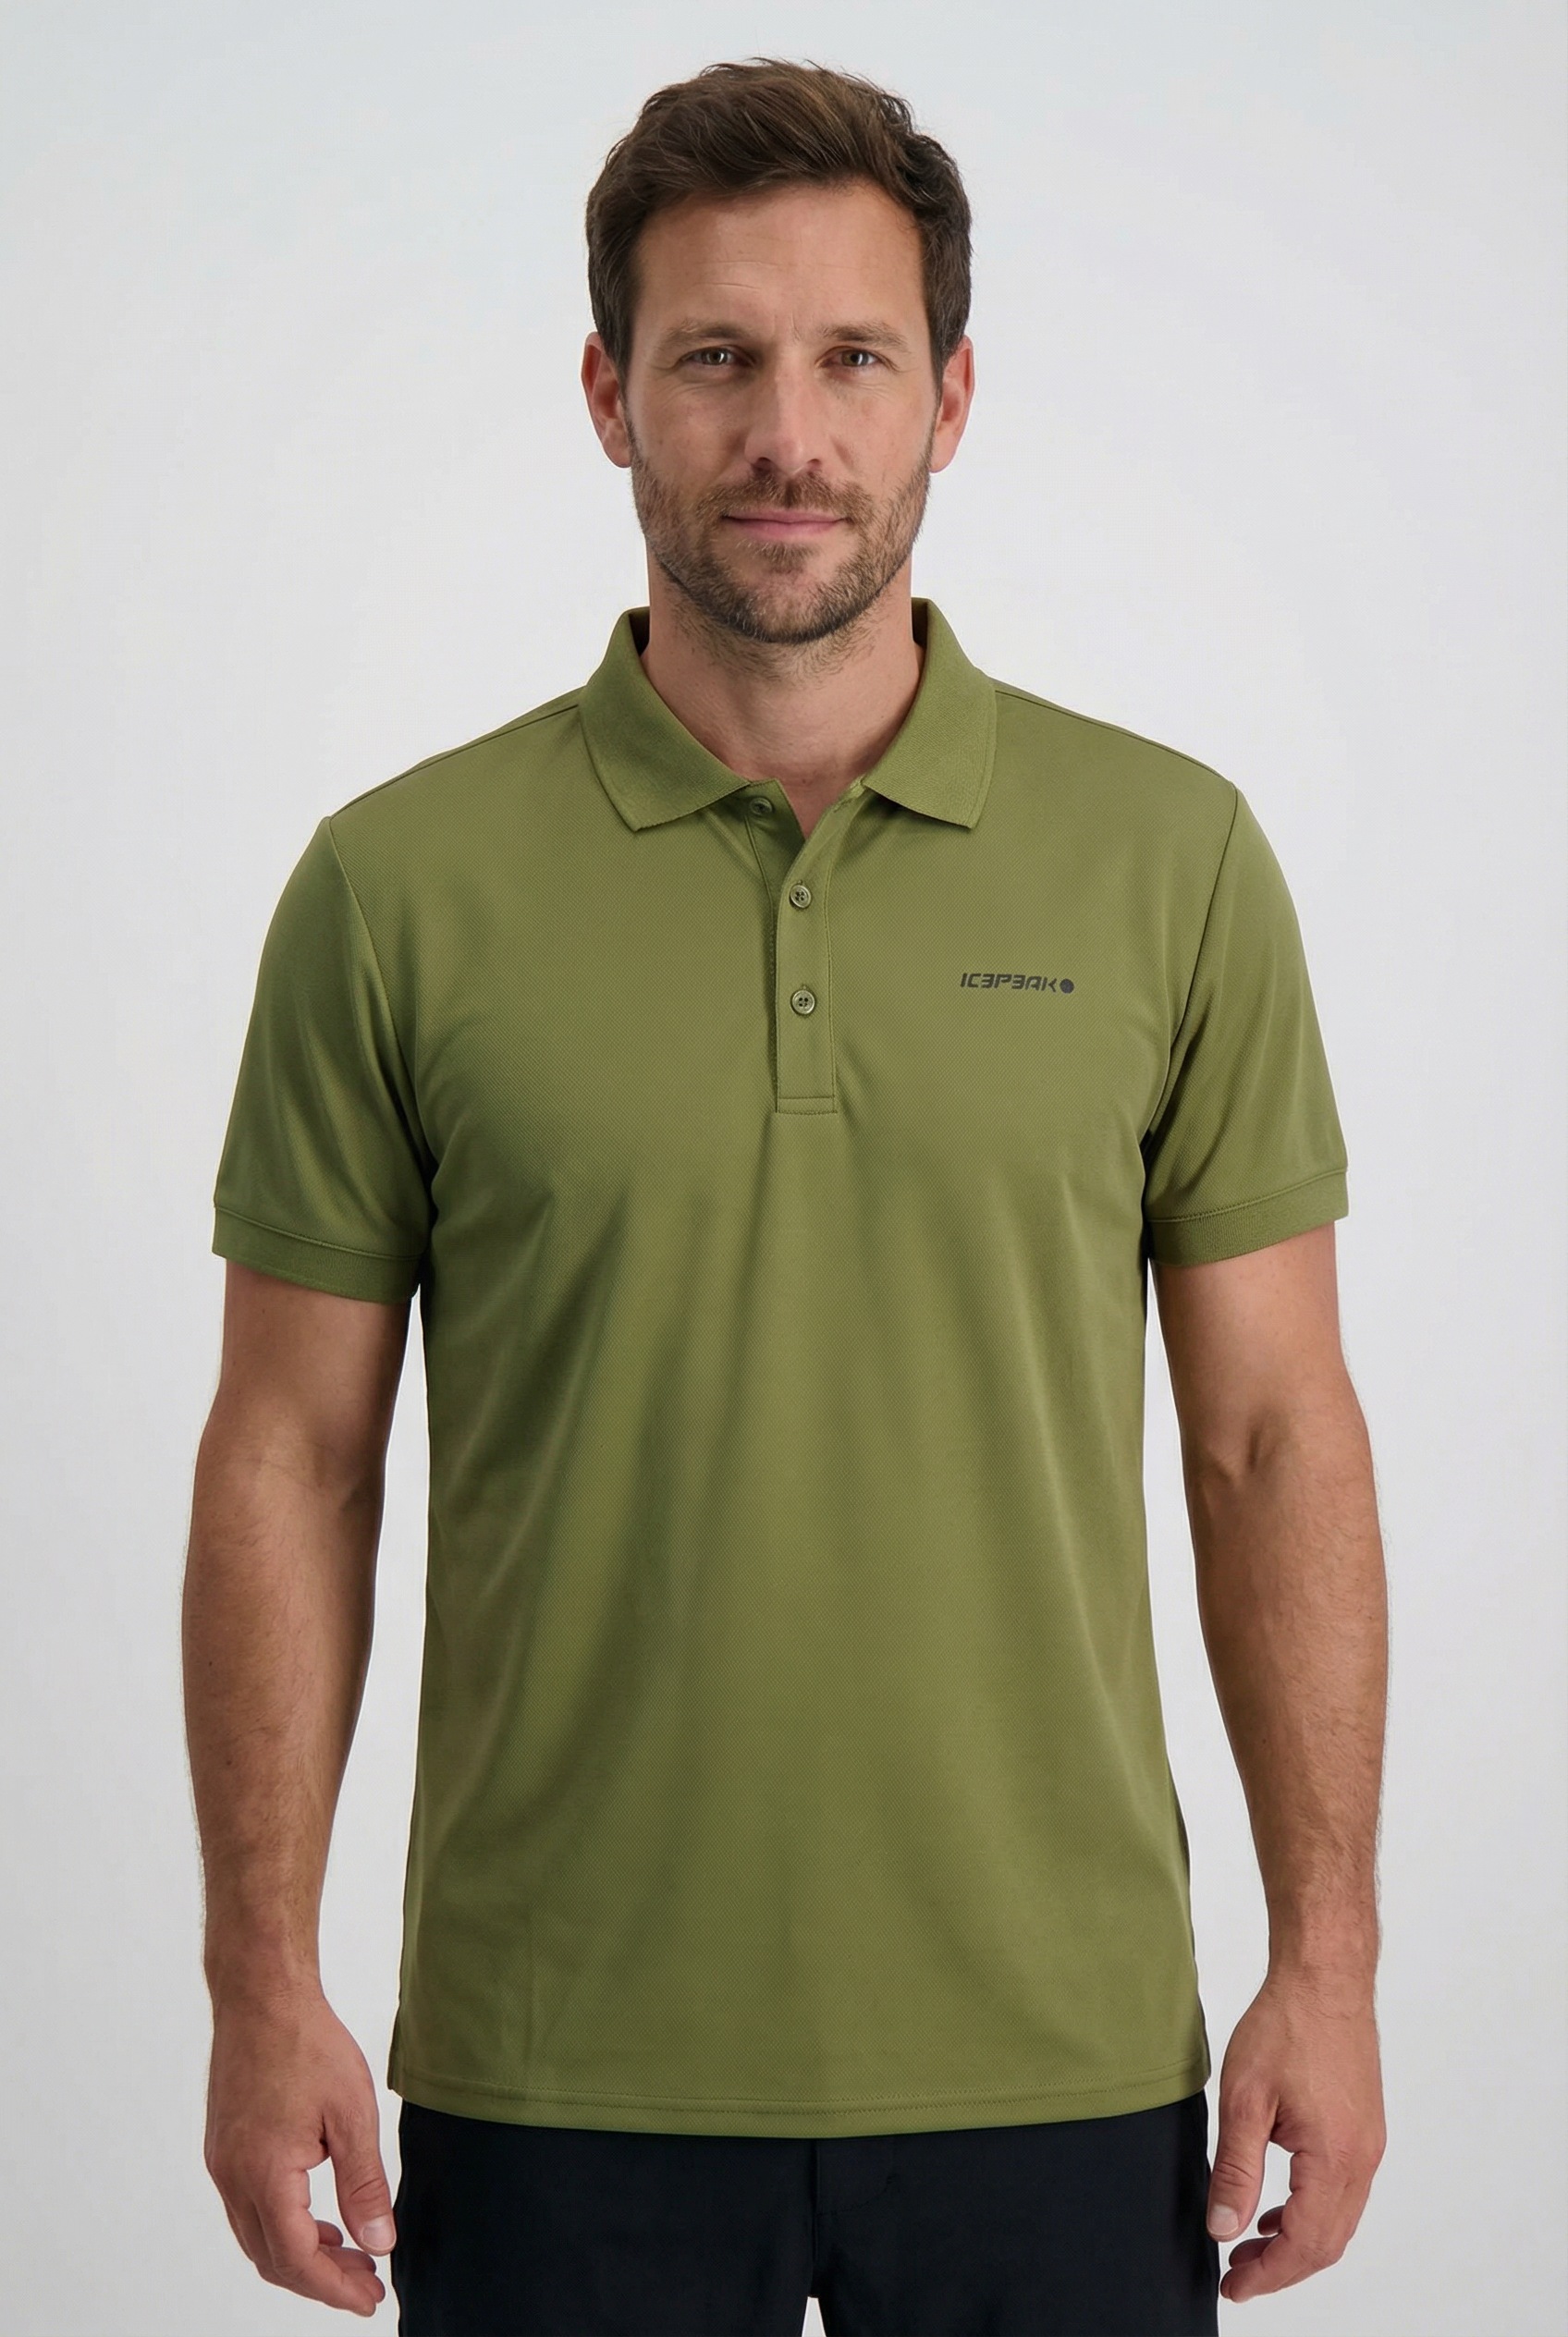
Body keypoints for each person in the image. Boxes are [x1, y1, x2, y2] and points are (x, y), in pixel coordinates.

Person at [183, 55, 1388, 2336]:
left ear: (950, 396)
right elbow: (288, 1454)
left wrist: (1321, 1964)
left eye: (850, 359)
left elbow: (1267, 1436)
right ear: (606, 397)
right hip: (556, 2066)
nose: (785, 436)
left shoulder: (1169, 862)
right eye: (713, 359)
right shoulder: (396, 888)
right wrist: (262, 1983)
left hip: (1057, 2057)